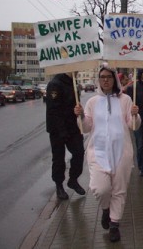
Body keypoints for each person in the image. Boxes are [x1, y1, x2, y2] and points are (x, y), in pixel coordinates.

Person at [74, 64, 141, 243]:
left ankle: (114, 224)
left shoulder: (126, 100)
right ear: (99, 79)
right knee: (100, 188)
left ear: (114, 80)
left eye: (109, 77)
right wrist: (80, 117)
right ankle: (106, 209)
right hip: (98, 152)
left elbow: (133, 126)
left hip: (122, 152)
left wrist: (135, 115)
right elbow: (86, 128)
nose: (105, 80)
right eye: (102, 77)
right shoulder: (92, 102)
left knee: (119, 190)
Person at [46, 72, 86, 200]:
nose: (77, 71)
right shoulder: (55, 84)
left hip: (73, 127)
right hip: (57, 129)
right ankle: (59, 186)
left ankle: (73, 179)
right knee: (58, 159)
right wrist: (62, 131)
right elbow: (54, 110)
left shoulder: (73, 83)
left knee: (79, 152)